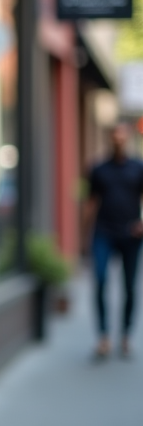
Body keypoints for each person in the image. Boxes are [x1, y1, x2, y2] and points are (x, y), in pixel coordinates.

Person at [84, 122, 143, 359]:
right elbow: (90, 202)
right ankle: (103, 337)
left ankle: (126, 336)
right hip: (103, 233)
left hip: (131, 234)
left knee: (129, 287)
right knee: (99, 281)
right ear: (110, 139)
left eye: (122, 136)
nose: (118, 140)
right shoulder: (99, 169)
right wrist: (83, 235)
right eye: (114, 137)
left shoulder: (138, 167)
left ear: (127, 138)